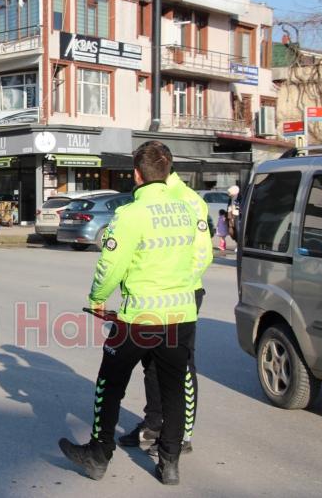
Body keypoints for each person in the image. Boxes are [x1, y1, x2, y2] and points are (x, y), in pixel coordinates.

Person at [58, 141, 208, 485]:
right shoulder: (189, 209)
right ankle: (170, 464)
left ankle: (98, 454)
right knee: (173, 389)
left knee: (109, 383)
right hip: (181, 313)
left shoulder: (130, 214)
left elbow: (111, 266)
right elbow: (203, 256)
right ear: (168, 171)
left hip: (140, 315)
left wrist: (97, 298)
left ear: (137, 175)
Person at [118, 165, 213, 456]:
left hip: (180, 293)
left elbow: (203, 254)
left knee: (180, 365)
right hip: (152, 295)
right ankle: (154, 424)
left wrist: (175, 283)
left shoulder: (186, 199)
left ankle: (181, 436)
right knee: (151, 362)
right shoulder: (151, 196)